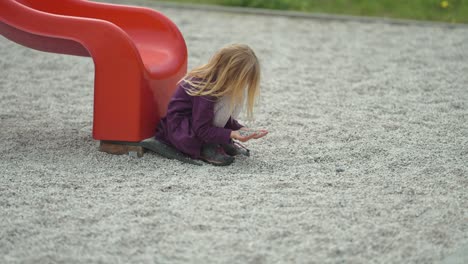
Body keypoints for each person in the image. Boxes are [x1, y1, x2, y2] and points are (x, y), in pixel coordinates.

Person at [154, 44, 268, 166]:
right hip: (183, 132)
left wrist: (240, 129)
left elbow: (218, 116)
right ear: (229, 72)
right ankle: (208, 146)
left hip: (198, 125)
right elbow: (202, 128)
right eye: (242, 80)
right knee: (229, 98)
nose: (244, 84)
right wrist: (230, 133)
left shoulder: (219, 83)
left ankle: (219, 141)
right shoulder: (206, 88)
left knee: (236, 95)